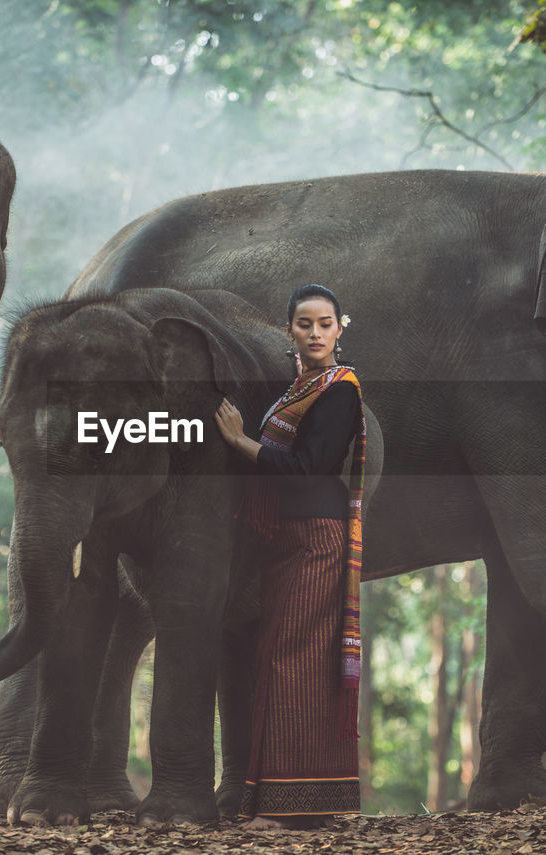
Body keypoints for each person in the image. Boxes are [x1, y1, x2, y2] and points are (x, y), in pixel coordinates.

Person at [214, 283, 367, 829]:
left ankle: (283, 810)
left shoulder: (339, 390)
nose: (316, 333)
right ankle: (306, 802)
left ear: (339, 330)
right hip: (289, 536)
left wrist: (241, 444)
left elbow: (308, 469)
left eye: (325, 323)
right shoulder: (298, 390)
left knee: (287, 660)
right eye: (305, 324)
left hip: (317, 537)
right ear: (290, 332)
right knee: (290, 660)